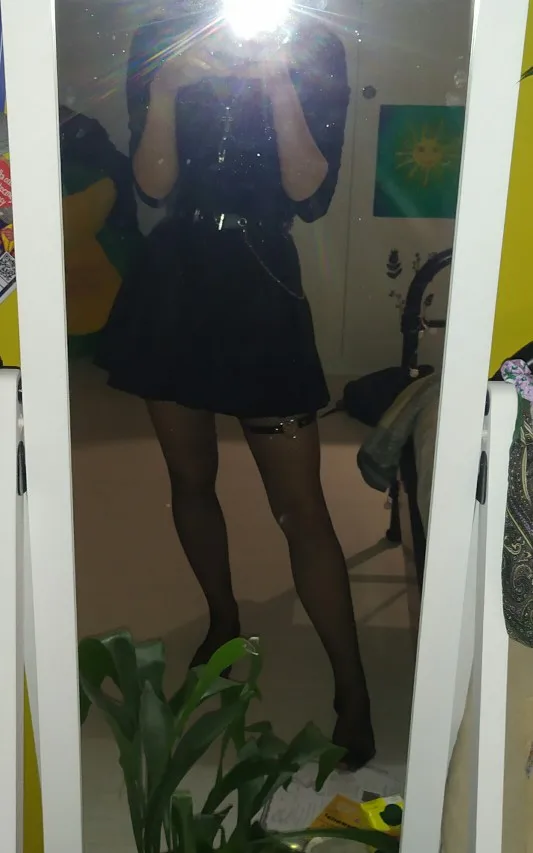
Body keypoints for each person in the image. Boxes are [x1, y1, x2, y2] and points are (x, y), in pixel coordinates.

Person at [97, 2, 375, 768]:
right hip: (175, 284)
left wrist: (278, 79)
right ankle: (222, 618)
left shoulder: (311, 43)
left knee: (301, 506)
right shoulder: (161, 38)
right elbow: (153, 185)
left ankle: (351, 684)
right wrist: (164, 90)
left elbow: (306, 190)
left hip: (260, 286)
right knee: (189, 478)